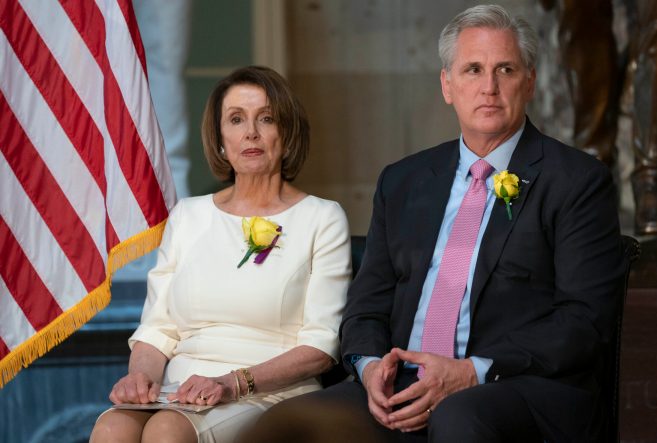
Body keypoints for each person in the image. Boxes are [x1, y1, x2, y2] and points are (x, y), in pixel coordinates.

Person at [257, 5, 627, 442]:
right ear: (447, 85)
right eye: (472, 70)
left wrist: (470, 371)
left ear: (529, 81)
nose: (489, 87)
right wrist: (369, 366)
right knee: (287, 427)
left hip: (514, 386)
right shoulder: (403, 181)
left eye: (504, 69)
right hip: (400, 381)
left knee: (457, 417)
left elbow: (584, 322)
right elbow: (366, 304)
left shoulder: (577, 181)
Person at [89, 66, 351, 443]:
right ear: (220, 139)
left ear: (287, 133)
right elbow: (157, 330)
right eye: (236, 119)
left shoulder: (322, 217)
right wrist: (141, 377)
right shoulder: (188, 215)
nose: (251, 133)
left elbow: (321, 346)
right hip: (179, 388)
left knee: (167, 430)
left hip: (270, 391)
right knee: (112, 427)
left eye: (266, 119)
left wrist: (231, 383)